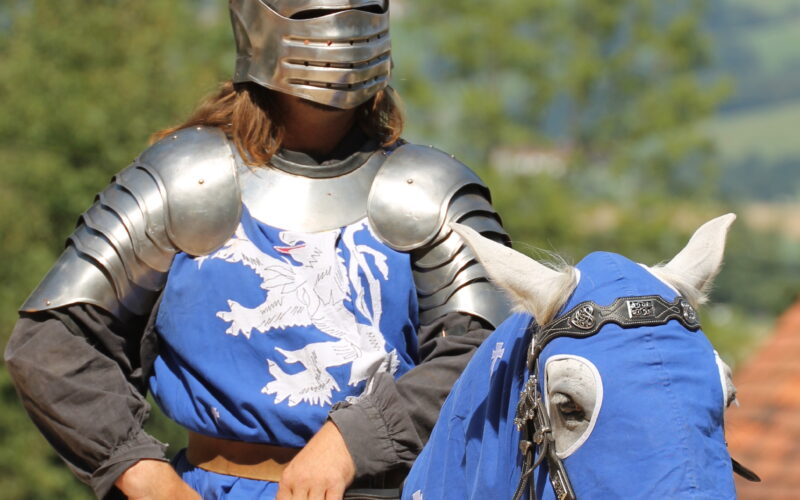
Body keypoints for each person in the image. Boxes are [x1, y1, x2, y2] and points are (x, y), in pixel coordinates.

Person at [5, 1, 512, 499]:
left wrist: (355, 440)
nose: (341, 21)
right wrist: (142, 473)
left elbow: (492, 353)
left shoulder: (428, 190)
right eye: (313, 11)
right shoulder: (187, 178)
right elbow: (51, 343)